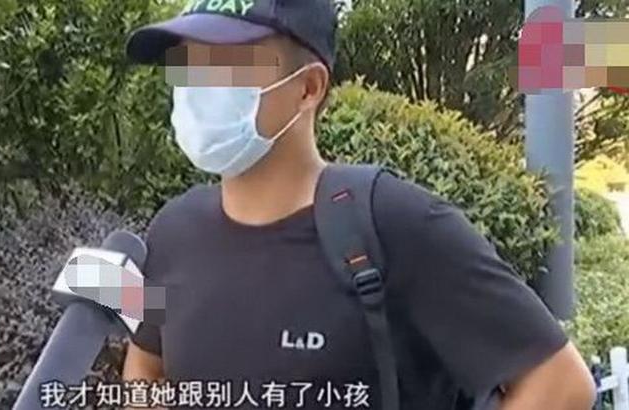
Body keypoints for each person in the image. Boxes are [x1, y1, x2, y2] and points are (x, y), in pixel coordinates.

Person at [122, 0, 597, 409]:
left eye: (228, 64)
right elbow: (145, 368)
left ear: (308, 88)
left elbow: (560, 384)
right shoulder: (173, 232)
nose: (200, 86)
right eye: (188, 64)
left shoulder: (398, 224)